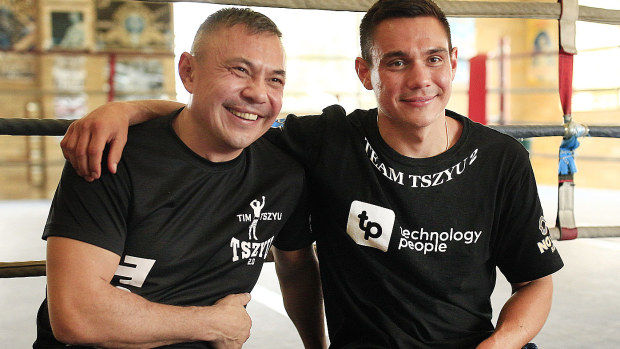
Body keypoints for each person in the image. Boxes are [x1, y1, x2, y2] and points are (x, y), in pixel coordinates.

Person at [60, 0, 564, 348]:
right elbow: (223, 118)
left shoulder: (502, 159)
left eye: (433, 58)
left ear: (453, 62)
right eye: (395, 62)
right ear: (365, 74)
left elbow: (536, 281)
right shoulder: (326, 142)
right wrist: (128, 111)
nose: (420, 79)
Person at [35, 8, 326, 349]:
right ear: (188, 72)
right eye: (239, 70)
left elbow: (296, 268)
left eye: (275, 79)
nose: (259, 93)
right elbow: (78, 315)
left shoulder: (282, 173)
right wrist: (214, 324)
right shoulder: (113, 155)